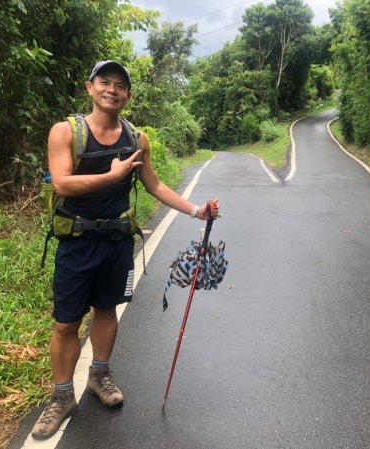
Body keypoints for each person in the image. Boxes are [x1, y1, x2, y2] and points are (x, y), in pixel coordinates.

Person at [31, 60, 219, 439]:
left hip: (117, 244)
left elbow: (155, 185)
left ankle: (99, 375)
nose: (112, 89)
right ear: (90, 87)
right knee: (66, 322)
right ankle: (62, 396)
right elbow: (63, 184)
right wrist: (113, 176)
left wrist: (197, 210)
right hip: (76, 243)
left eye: (120, 85)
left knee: (107, 310)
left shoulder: (136, 139)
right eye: (105, 81)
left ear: (128, 95)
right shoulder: (64, 132)